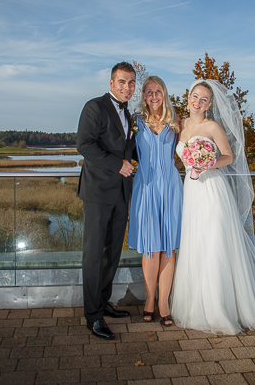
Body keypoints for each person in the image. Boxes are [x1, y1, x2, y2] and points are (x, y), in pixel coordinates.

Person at [170, 79, 255, 335]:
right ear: (188, 96)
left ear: (210, 103)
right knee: (195, 243)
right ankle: (196, 305)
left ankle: (219, 308)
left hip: (213, 190)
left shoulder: (212, 126)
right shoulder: (179, 125)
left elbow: (229, 156)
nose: (197, 102)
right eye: (195, 96)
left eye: (203, 99)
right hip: (191, 191)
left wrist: (208, 162)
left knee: (215, 241)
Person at [76, 62, 136, 340]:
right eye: (122, 82)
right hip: (99, 192)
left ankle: (103, 303)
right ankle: (92, 317)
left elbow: (130, 148)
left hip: (122, 192)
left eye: (131, 83)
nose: (127, 87)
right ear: (111, 83)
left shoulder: (130, 114)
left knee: (111, 253)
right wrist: (118, 164)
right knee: (94, 255)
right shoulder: (95, 107)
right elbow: (85, 145)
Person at [127, 76, 183, 327]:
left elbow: (183, 154)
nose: (153, 96)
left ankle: (164, 304)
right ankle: (150, 300)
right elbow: (124, 149)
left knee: (168, 247)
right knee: (151, 247)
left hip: (170, 188)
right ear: (144, 96)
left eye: (157, 91)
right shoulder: (135, 122)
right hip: (146, 188)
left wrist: (188, 166)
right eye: (148, 92)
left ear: (164, 93)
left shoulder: (175, 123)